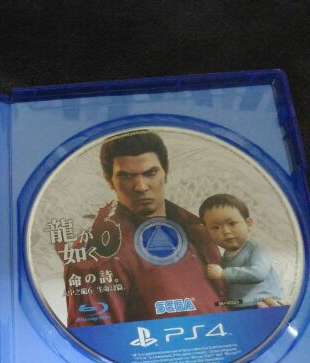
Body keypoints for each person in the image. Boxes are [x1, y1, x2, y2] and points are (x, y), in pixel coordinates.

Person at [64, 130, 227, 326]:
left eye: (150, 173)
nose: (140, 187)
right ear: (109, 180)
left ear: (166, 173)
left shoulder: (199, 229)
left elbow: (230, 302)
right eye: (126, 176)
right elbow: (97, 339)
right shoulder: (95, 253)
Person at [199, 193, 282, 308]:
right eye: (215, 227)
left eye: (232, 224)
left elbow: (258, 273)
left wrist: (223, 274)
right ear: (207, 232)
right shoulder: (224, 258)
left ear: (248, 224)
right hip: (237, 306)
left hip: (262, 303)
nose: (226, 231)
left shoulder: (257, 249)